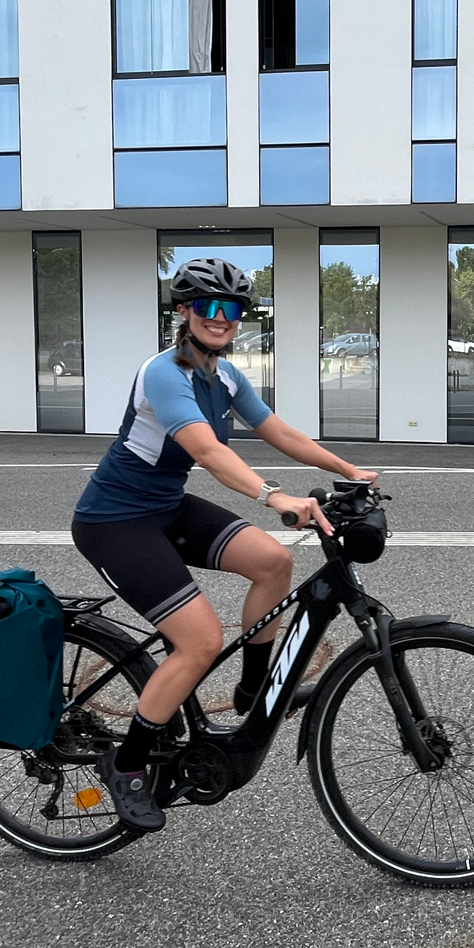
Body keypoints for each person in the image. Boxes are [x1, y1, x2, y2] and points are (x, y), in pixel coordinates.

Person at [70, 257, 377, 832]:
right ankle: (127, 764)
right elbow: (209, 453)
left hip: (164, 507)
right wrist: (273, 496)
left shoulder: (226, 376)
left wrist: (347, 469)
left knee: (274, 561)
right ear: (183, 312)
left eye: (231, 309)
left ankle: (253, 690)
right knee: (199, 642)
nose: (220, 318)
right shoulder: (165, 373)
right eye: (207, 307)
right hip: (114, 522)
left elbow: (277, 431)